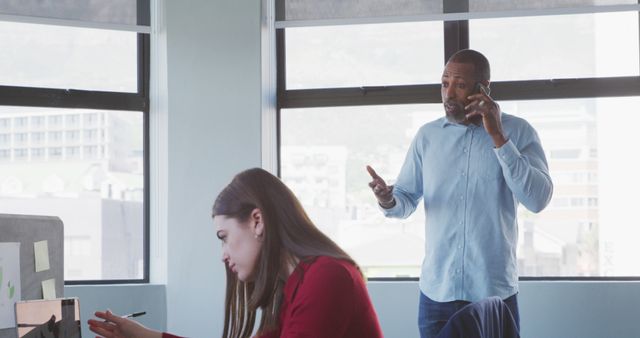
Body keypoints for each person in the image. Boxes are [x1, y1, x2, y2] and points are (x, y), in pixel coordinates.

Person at [367, 49, 553, 338]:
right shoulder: (428, 137)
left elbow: (538, 199)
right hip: (437, 294)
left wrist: (498, 137)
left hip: (493, 293)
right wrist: (387, 198)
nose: (448, 93)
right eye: (444, 83)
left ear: (483, 89)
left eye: (460, 84)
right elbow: (404, 199)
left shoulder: (518, 132)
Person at [88, 168, 383, 338]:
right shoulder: (294, 286)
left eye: (224, 237)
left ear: (257, 221)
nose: (223, 254)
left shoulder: (326, 277)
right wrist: (146, 336)